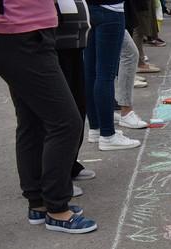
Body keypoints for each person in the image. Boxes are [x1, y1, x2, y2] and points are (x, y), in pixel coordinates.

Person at [0, 0, 97, 233]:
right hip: (19, 33)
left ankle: (39, 203)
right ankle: (57, 208)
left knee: (32, 120)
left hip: (20, 31)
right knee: (66, 122)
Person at [84, 0, 142, 151]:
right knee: (105, 75)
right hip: (110, 9)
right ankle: (108, 135)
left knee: (91, 73)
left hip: (88, 8)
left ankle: (96, 128)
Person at [55, 0, 97, 194]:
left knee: (78, 105)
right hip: (54, 42)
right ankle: (56, 178)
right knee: (62, 115)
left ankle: (70, 164)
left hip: (73, 42)